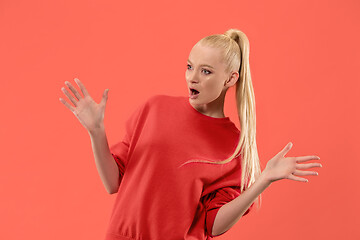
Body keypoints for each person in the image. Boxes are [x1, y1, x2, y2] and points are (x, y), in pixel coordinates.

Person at [59, 28, 322, 240]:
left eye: (205, 71)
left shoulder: (234, 145)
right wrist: (96, 131)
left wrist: (262, 181)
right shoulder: (154, 108)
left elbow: (213, 225)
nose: (191, 78)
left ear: (230, 79)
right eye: (189, 66)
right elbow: (112, 183)